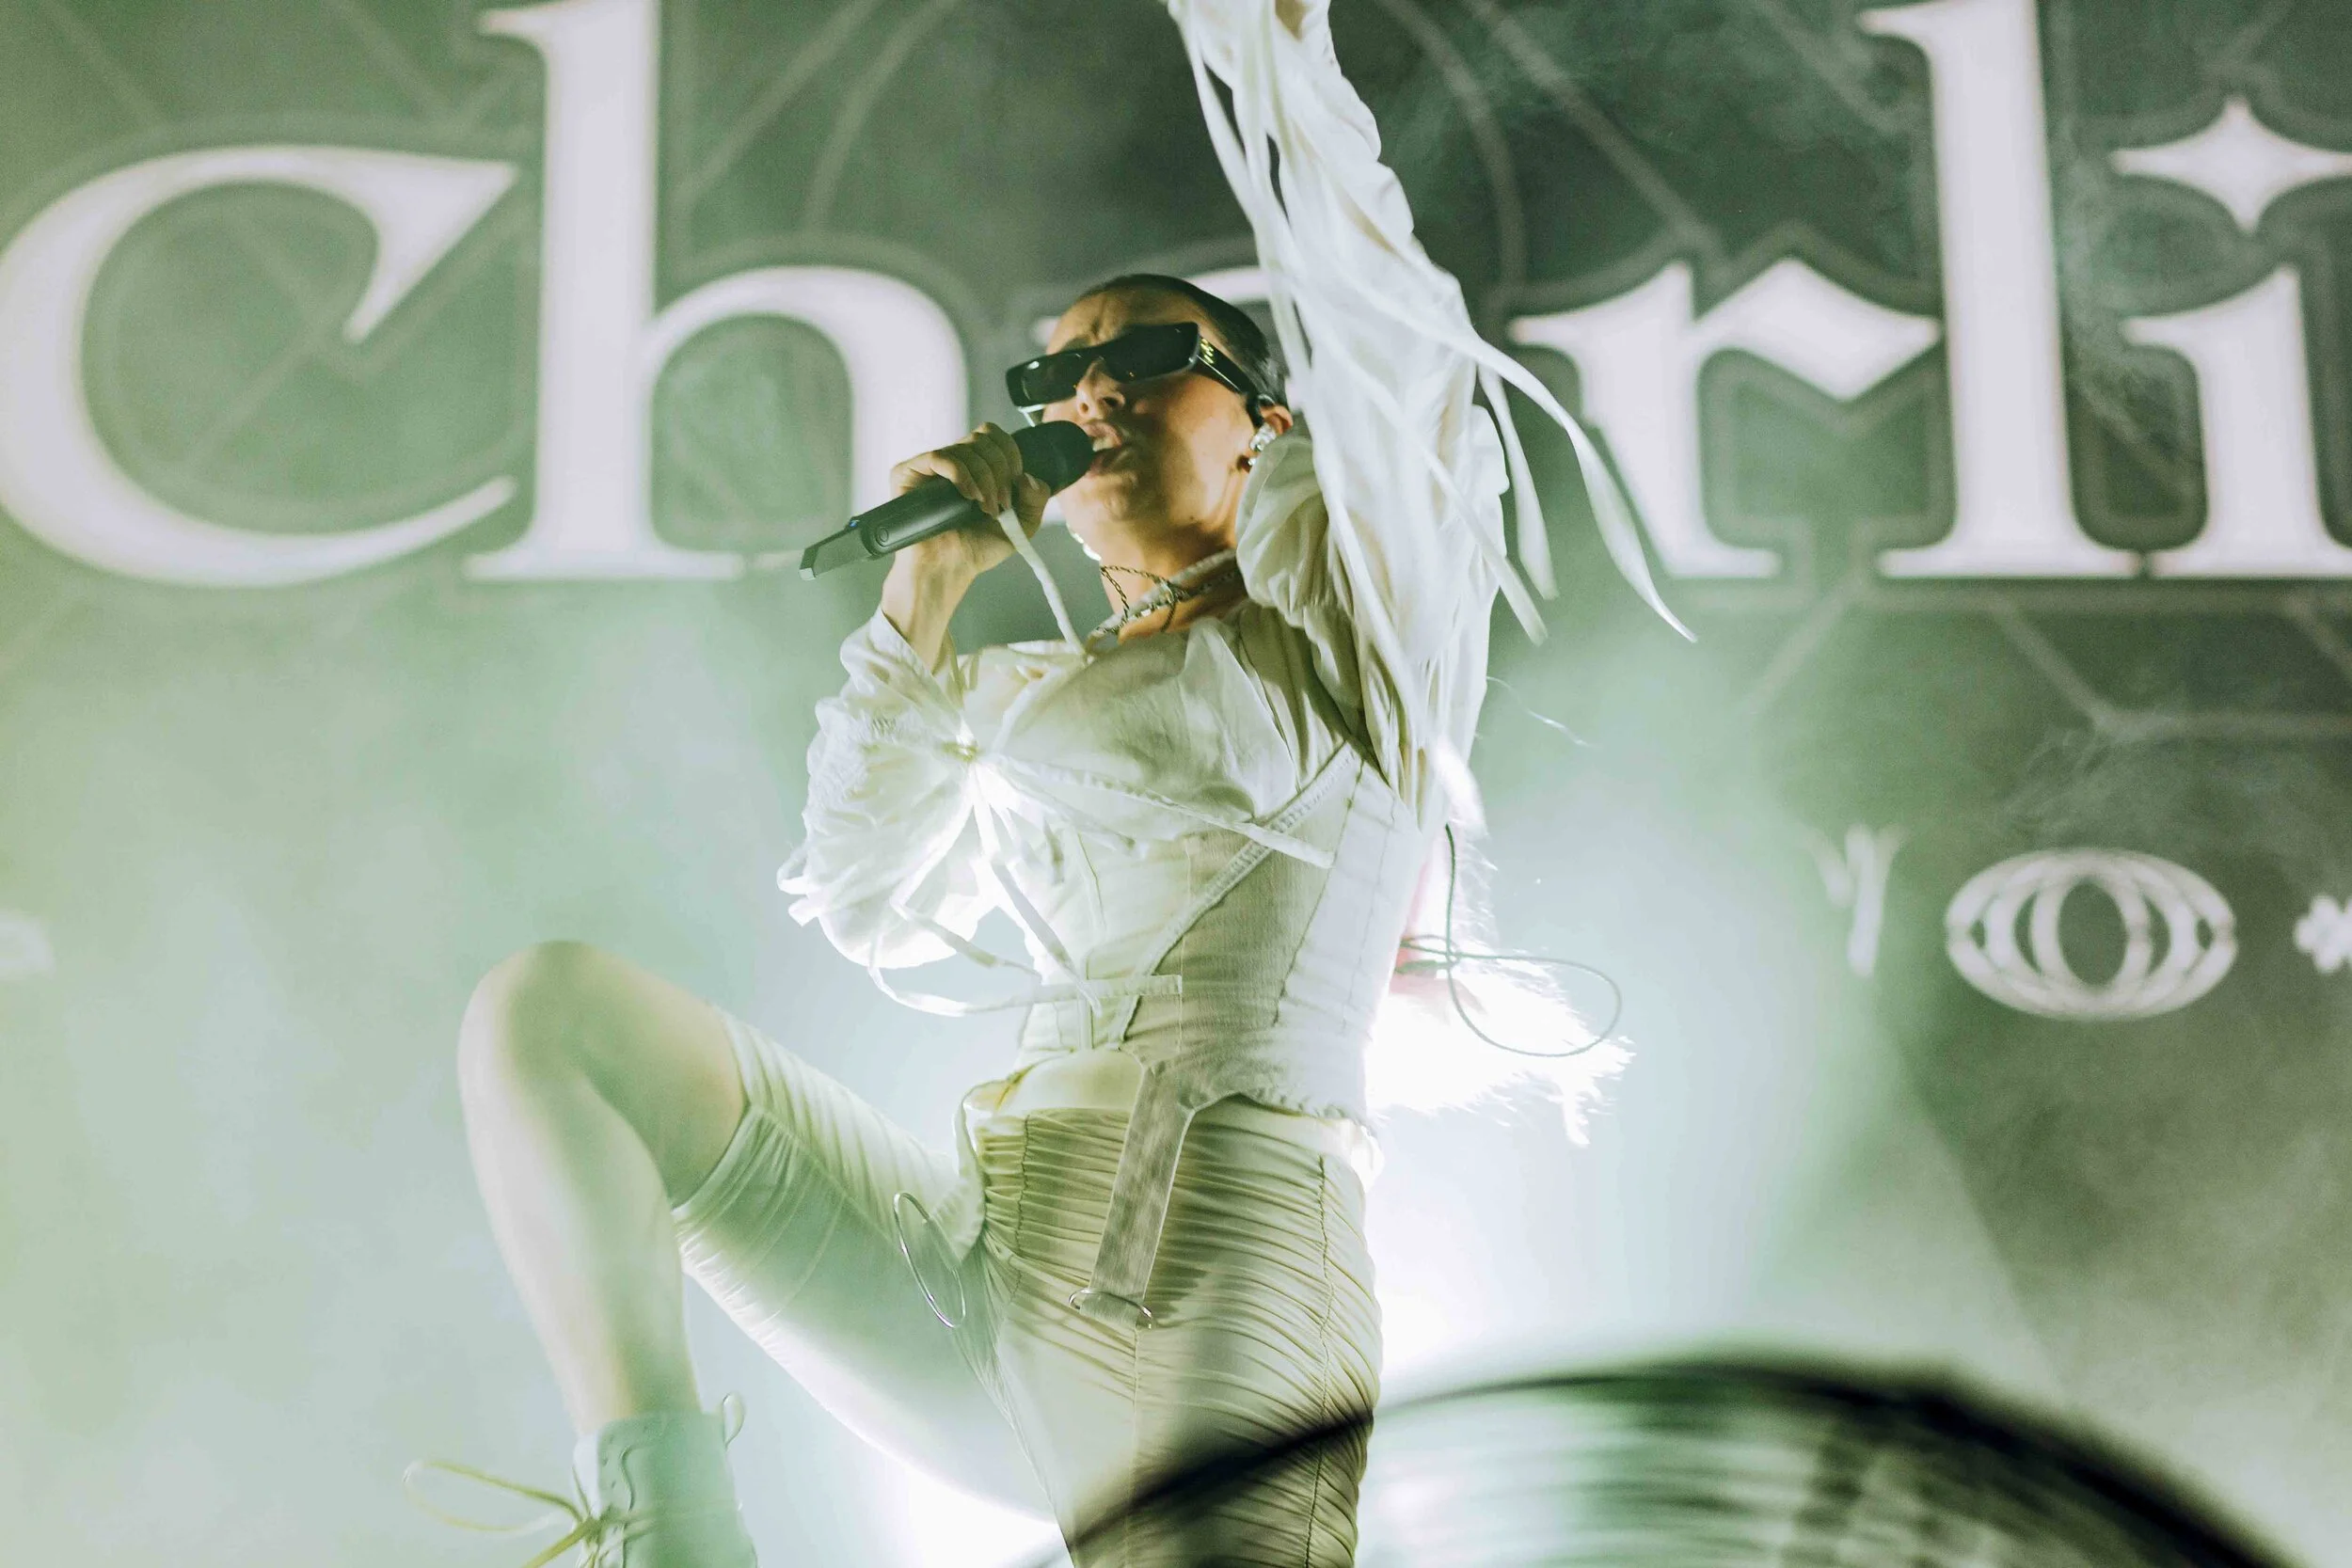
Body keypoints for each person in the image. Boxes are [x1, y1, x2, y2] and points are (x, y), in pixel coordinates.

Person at [418, 1, 1675, 1563]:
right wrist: (926, 591)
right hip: (982, 1266)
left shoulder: (1357, 645)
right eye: (1060, 371)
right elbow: (864, 893)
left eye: (1145, 358)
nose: (1095, 393)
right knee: (551, 1019)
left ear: (1266, 427)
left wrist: (1282, 53)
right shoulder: (1020, 696)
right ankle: (668, 1530)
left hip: (1223, 1284)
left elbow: (1398, 352)